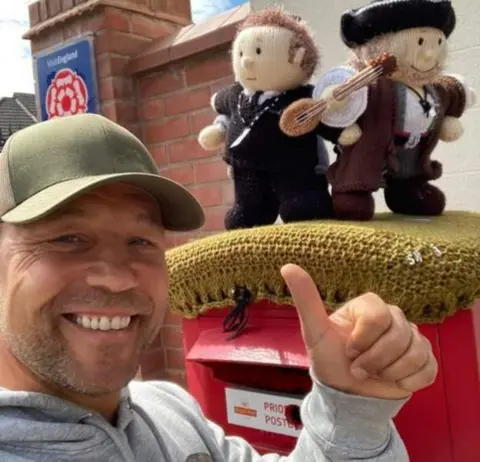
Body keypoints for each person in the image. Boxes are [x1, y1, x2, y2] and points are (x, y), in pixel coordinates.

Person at [0, 114, 437, 461]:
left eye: (141, 241)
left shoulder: (171, 413)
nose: (117, 277)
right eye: (66, 239)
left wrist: (352, 408)